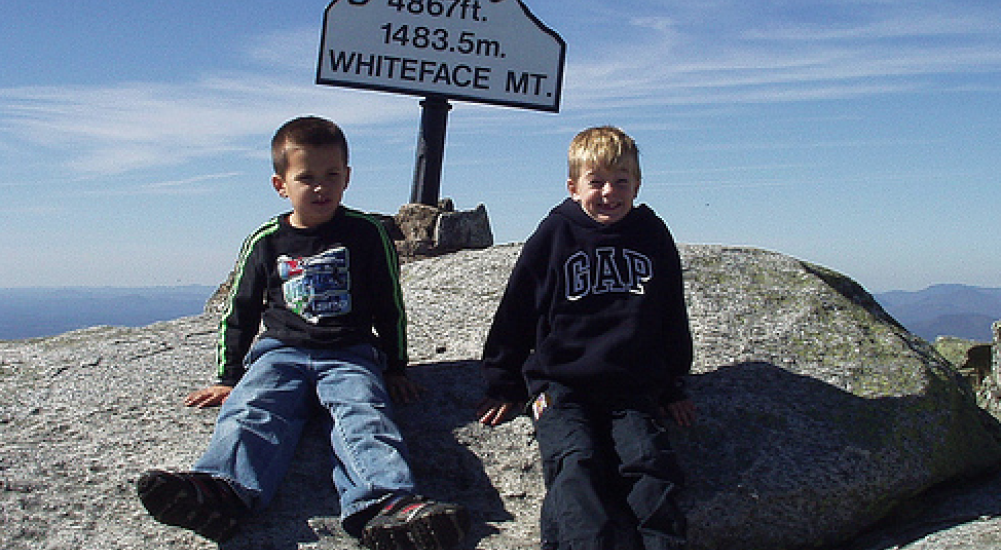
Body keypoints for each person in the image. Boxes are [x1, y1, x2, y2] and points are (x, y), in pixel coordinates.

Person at [137, 116, 469, 550]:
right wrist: (229, 377)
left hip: (350, 353)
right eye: (306, 177)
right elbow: (239, 311)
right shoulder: (267, 239)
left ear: (347, 177)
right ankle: (221, 492)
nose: (320, 187)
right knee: (252, 409)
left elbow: (389, 303)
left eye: (332, 175)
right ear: (281, 184)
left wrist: (395, 366)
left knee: (364, 416)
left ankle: (385, 506)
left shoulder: (365, 233)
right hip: (279, 353)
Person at [477, 126, 696, 550]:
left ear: (637, 185)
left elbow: (671, 311)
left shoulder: (651, 234)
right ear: (574, 186)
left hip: (631, 383)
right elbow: (517, 307)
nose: (609, 192)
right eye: (596, 182)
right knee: (575, 464)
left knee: (650, 464)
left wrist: (673, 386)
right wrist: (503, 382)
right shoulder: (555, 233)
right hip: (560, 383)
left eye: (621, 182)